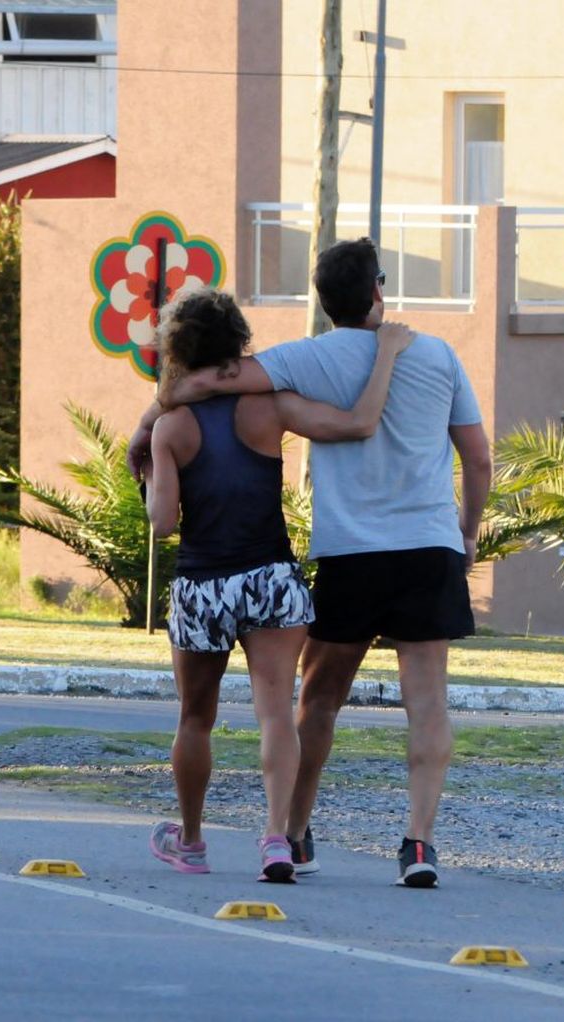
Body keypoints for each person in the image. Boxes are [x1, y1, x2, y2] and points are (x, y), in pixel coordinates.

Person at [130, 239, 491, 888]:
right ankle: (391, 842)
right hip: (376, 556)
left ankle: (248, 836)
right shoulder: (427, 357)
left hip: (310, 562)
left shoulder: (292, 365)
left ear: (322, 300)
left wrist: (150, 425)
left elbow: (199, 400)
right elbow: (448, 451)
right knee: (407, 701)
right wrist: (465, 533)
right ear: (377, 289)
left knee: (280, 703)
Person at [141, 287, 413, 883]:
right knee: (274, 713)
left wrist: (151, 464)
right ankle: (275, 840)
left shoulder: (171, 426)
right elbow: (357, 425)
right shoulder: (273, 407)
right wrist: (387, 356)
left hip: (203, 584)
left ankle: (189, 841)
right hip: (271, 579)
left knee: (195, 718)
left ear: (176, 350)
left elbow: (162, 524)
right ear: (239, 343)